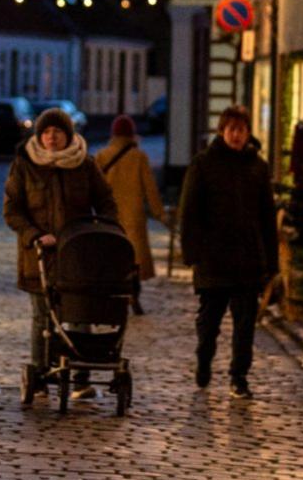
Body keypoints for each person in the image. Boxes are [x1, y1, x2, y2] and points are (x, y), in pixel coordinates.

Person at [3, 107, 118, 400]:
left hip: (78, 256)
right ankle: (40, 376)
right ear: (38, 136)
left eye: (57, 132)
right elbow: (12, 210)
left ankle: (80, 376)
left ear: (69, 135)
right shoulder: (24, 164)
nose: (51, 137)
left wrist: (101, 233)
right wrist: (35, 235)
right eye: (45, 132)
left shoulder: (85, 165)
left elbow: (106, 202)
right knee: (42, 318)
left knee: (80, 315)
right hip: (39, 256)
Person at [176, 105, 278, 400]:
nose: (236, 135)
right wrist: (192, 253)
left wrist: (270, 262)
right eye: (231, 129)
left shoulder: (257, 167)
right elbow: (189, 212)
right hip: (213, 259)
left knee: (245, 324)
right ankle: (204, 360)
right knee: (209, 322)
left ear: (248, 133)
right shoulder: (204, 164)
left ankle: (239, 377)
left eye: (241, 130)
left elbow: (267, 217)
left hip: (248, 260)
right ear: (222, 132)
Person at [94, 115, 167, 315]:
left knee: (112, 258)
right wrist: (159, 213)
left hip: (109, 217)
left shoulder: (102, 155)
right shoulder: (139, 157)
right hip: (133, 217)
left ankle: (113, 297)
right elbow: (150, 188)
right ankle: (134, 295)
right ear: (131, 134)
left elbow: (94, 188)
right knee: (133, 260)